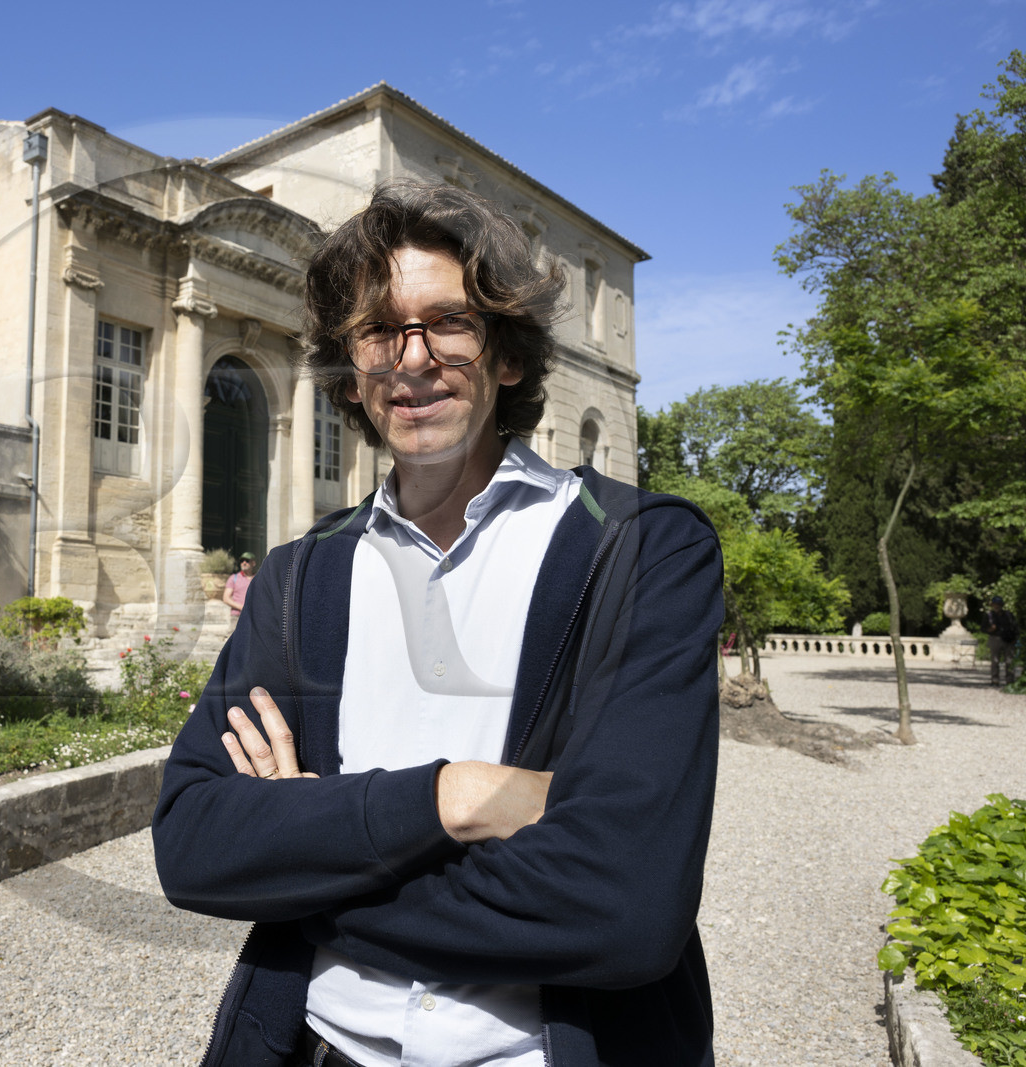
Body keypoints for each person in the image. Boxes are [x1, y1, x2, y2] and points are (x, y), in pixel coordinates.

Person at [152, 181, 724, 1067]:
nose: (410, 359)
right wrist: (450, 797)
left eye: (449, 322)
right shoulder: (300, 577)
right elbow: (192, 842)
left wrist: (306, 846)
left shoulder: (643, 550)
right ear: (352, 369)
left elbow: (624, 905)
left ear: (507, 354)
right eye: (379, 330)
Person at [984, 595, 1019, 686]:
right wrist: (990, 629)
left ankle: (1010, 680)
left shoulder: (1009, 615)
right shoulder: (989, 615)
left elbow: (1015, 627)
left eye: (998, 604)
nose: (997, 606)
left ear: (1001, 605)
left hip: (1009, 640)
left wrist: (1015, 638)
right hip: (995, 638)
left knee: (1009, 661)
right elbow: (983, 628)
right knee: (995, 660)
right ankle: (995, 680)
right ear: (992, 605)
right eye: (995, 604)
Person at [223, 553, 256, 622]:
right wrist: (242, 607)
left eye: (247, 561)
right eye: (242, 561)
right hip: (237, 617)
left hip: (254, 617)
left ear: (253, 563)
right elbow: (226, 598)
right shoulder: (234, 578)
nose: (244, 563)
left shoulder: (259, 579)